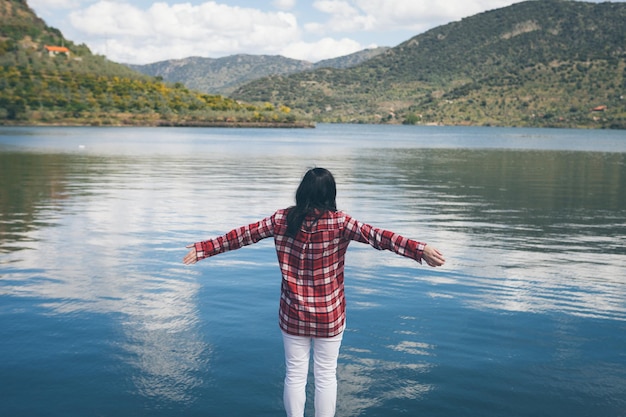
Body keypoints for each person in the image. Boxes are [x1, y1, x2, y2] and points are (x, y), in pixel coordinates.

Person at [183, 167, 445, 417]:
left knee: (295, 374)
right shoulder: (340, 223)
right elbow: (379, 237)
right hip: (329, 315)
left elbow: (241, 236)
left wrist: (204, 248)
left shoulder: (280, 220)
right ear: (330, 194)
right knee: (326, 375)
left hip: (293, 314)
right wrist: (418, 249)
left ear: (302, 192)